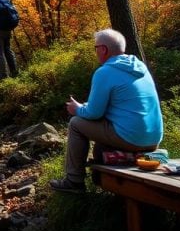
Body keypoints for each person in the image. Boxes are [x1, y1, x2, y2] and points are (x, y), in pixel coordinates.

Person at [49, 29, 164, 193]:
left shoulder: (105, 72)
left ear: (103, 49)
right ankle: (101, 174)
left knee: (76, 123)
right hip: (153, 140)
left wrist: (77, 109)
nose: (95, 52)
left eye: (95, 48)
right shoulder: (141, 67)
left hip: (131, 138)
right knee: (99, 140)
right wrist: (85, 108)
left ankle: (74, 181)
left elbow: (94, 113)